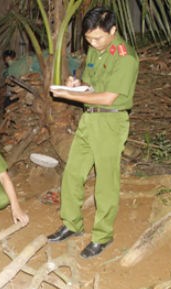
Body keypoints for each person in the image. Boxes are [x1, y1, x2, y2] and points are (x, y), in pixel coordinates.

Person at [47, 7, 139, 258]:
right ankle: (72, 224)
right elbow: (92, 84)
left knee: (106, 182)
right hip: (89, 119)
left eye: (98, 38)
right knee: (73, 173)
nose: (93, 43)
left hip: (110, 121)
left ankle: (102, 236)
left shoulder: (125, 57)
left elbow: (109, 98)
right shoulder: (94, 50)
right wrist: (77, 85)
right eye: (88, 39)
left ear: (113, 30)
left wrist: (66, 95)